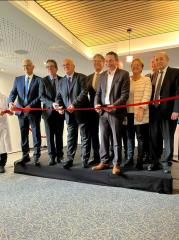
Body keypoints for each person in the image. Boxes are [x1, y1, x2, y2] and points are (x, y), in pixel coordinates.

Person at [92, 51, 130, 175]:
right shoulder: (102, 75)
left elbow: (125, 95)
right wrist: (96, 104)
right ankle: (104, 161)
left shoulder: (123, 74)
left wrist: (114, 105)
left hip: (116, 112)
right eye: (107, 61)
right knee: (103, 137)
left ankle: (116, 164)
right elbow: (98, 93)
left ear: (116, 61)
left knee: (116, 139)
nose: (108, 63)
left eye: (111, 60)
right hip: (103, 112)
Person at [53, 59, 90, 169]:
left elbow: (84, 93)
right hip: (69, 114)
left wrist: (74, 104)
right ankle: (69, 159)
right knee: (71, 137)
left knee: (84, 137)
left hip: (81, 112)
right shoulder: (61, 81)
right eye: (64, 65)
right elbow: (59, 96)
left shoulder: (82, 77)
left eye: (68, 64)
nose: (66, 66)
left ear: (73, 66)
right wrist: (59, 106)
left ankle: (85, 159)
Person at [148, 52, 179, 173]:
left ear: (167, 60)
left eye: (161, 59)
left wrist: (176, 110)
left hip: (169, 112)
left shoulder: (175, 72)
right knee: (154, 137)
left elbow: (178, 92)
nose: (159, 61)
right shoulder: (154, 75)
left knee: (168, 138)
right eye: (157, 59)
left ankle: (166, 163)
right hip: (154, 111)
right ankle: (155, 162)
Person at [8, 59, 41, 166]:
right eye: (24, 66)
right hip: (21, 112)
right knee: (24, 135)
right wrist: (10, 102)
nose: (25, 68)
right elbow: (12, 93)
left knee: (36, 134)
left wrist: (30, 106)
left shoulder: (39, 80)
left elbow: (40, 96)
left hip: (33, 112)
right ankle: (25, 156)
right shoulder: (18, 79)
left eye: (28, 66)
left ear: (33, 67)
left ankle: (36, 156)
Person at [124, 58, 152, 170]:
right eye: (133, 65)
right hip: (128, 113)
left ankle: (139, 161)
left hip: (141, 113)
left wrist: (141, 108)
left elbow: (147, 95)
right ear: (131, 67)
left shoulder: (146, 79)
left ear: (141, 67)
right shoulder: (127, 80)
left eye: (138, 65)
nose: (135, 66)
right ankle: (130, 158)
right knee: (130, 137)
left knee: (140, 138)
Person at [39, 59, 64, 166]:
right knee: (49, 136)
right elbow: (41, 96)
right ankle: (51, 156)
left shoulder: (62, 80)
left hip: (59, 112)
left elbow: (65, 94)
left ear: (56, 68)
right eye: (47, 67)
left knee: (59, 135)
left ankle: (60, 155)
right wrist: (52, 103)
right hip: (48, 113)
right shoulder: (43, 80)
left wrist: (60, 105)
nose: (49, 68)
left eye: (51, 66)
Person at [86, 54, 105, 166]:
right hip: (92, 111)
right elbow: (84, 94)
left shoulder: (107, 75)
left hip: (105, 109)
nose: (96, 63)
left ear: (103, 63)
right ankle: (96, 156)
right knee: (94, 134)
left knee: (106, 134)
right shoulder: (88, 77)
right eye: (94, 61)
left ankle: (107, 156)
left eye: (99, 61)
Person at [0, 92, 12, 173]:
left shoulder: (4, 97)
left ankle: (2, 165)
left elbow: (11, 112)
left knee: (3, 145)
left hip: (3, 125)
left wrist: (9, 111)